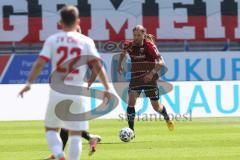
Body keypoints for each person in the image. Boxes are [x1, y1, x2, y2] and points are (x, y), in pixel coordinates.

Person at [19, 5, 111, 160]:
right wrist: (107, 88)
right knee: (75, 134)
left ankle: (60, 155)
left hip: (57, 91)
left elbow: (40, 63)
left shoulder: (53, 40)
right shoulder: (86, 41)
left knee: (50, 130)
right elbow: (98, 65)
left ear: (60, 22)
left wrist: (29, 83)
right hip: (77, 92)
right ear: (78, 21)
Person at [45, 25, 101, 160]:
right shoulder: (85, 47)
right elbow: (97, 67)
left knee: (61, 123)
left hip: (62, 89)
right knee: (67, 122)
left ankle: (89, 137)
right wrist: (91, 81)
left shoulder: (64, 46)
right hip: (76, 90)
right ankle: (59, 154)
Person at [118, 25, 174, 133]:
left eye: (139, 35)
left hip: (150, 79)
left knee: (156, 107)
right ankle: (131, 130)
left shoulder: (149, 46)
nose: (136, 37)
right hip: (136, 79)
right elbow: (122, 53)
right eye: (135, 35)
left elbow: (161, 63)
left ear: (144, 35)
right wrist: (120, 64)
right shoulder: (128, 44)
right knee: (131, 103)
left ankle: (167, 117)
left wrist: (151, 73)